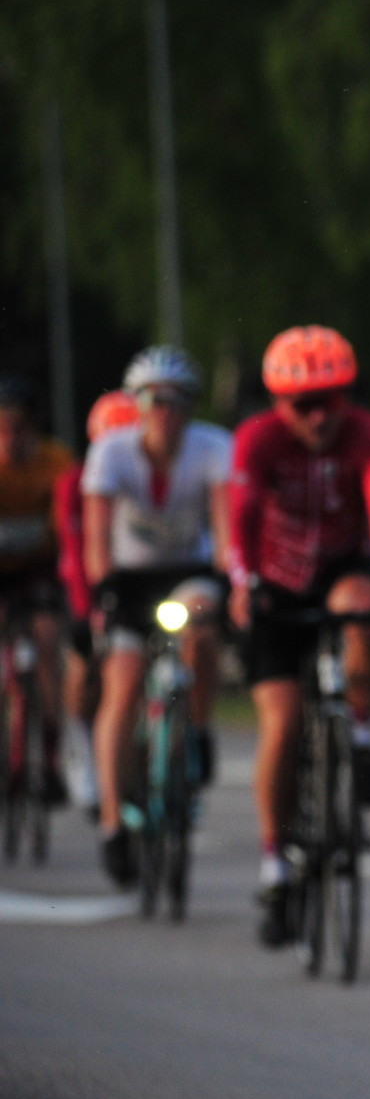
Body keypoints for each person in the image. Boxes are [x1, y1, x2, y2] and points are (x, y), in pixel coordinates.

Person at [229, 327, 370, 948]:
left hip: (338, 569)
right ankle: (275, 867)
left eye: (330, 401)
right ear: (277, 402)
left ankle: (359, 738)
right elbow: (240, 515)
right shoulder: (258, 439)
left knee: (364, 607)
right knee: (282, 724)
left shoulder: (369, 434)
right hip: (274, 582)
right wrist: (242, 582)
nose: (318, 417)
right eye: (301, 404)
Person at [83, 347, 232, 887]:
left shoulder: (213, 446)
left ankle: (200, 726)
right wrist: (103, 591)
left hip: (188, 573)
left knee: (203, 632)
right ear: (138, 405)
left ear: (191, 407)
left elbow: (226, 531)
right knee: (122, 685)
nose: (165, 412)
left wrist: (229, 579)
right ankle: (111, 823)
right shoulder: (111, 451)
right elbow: (96, 538)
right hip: (128, 578)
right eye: (153, 401)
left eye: (177, 401)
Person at [57, 391, 143, 813]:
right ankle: (78, 739)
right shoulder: (75, 483)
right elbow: (77, 551)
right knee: (83, 658)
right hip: (90, 583)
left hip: (138, 581)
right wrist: (87, 609)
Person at [0, 375, 73, 811]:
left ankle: (49, 757)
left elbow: (71, 523)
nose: (11, 438)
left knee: (47, 641)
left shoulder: (55, 461)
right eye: (3, 429)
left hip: (39, 568)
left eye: (20, 428)